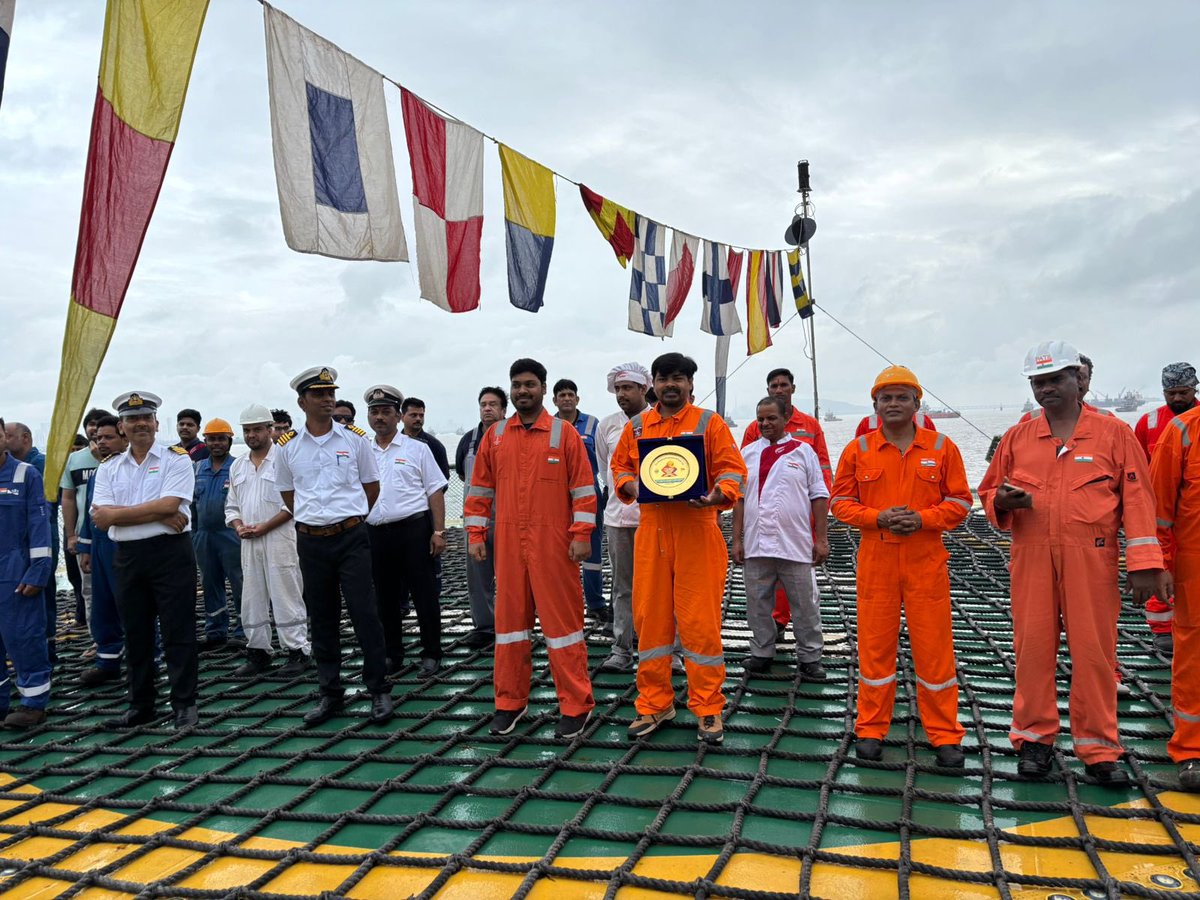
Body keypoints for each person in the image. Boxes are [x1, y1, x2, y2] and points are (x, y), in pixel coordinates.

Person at [978, 341, 1166, 787]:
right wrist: (1000, 502)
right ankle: (1033, 741)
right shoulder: (1017, 437)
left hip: (1093, 558)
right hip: (1032, 557)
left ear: (1077, 379)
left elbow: (1139, 500)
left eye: (1055, 379)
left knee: (1096, 653)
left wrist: (1145, 562)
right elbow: (988, 492)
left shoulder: (1114, 434)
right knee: (1033, 649)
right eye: (1038, 382)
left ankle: (1099, 747)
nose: (1047, 390)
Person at [831, 365, 971, 768]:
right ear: (874, 404)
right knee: (875, 648)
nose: (893, 404)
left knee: (935, 650)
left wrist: (923, 520)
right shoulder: (857, 450)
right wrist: (877, 517)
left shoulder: (942, 447)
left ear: (917, 403)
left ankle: (944, 734)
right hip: (876, 560)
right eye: (886, 398)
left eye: (902, 397)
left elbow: (961, 500)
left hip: (926, 561)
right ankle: (871, 727)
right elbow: (841, 502)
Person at [610, 352, 747, 745]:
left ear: (690, 384)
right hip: (652, 531)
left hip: (697, 529)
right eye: (663, 378)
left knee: (700, 624)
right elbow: (620, 467)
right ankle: (654, 703)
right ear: (652, 382)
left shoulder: (710, 423)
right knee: (650, 621)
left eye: (678, 378)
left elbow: (733, 470)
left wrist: (717, 495)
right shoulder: (636, 427)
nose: (671, 385)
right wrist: (632, 486)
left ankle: (707, 708)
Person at [464, 358, 597, 740]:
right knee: (508, 628)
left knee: (564, 629)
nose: (523, 391)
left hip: (554, 545)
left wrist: (581, 534)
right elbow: (479, 491)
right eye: (517, 385)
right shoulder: (496, 436)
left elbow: (584, 489)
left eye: (530, 385)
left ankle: (575, 705)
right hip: (507, 545)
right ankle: (509, 702)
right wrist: (475, 535)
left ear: (543, 388)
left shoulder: (564, 434)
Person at [273, 366, 393, 726]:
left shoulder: (355, 440)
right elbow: (288, 494)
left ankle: (378, 690)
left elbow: (371, 488)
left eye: (331, 394)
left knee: (364, 613)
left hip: (351, 537)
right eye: (320, 395)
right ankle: (330, 693)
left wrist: (347, 519)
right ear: (302, 401)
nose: (328, 400)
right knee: (321, 618)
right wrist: (315, 521)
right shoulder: (288, 448)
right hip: (311, 541)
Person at [91, 392, 200, 729]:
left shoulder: (176, 459)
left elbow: (171, 506)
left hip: (171, 554)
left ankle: (184, 705)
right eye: (132, 419)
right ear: (122, 427)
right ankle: (141, 706)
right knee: (136, 633)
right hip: (128, 558)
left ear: (155, 423)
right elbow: (101, 518)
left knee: (177, 630)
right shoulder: (109, 467)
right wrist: (157, 513)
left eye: (146, 417)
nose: (140, 423)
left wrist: (133, 513)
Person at [734, 396, 830, 677]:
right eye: (760, 419)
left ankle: (810, 656)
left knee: (805, 602)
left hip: (796, 542)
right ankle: (762, 651)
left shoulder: (804, 452)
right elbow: (738, 499)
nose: (765, 423)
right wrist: (737, 539)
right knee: (757, 601)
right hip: (756, 543)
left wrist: (821, 538)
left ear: (785, 418)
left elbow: (819, 495)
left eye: (771, 418)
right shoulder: (747, 454)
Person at [364, 385, 448, 677]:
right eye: (374, 412)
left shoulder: (418, 449)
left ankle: (431, 653)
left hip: (413, 530)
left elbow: (435, 491)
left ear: (398, 416)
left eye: (386, 412)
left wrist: (438, 532)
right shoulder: (362, 452)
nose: (379, 417)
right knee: (384, 598)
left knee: (424, 594)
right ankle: (392, 653)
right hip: (376, 533)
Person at [224, 404, 312, 678]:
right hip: (249, 541)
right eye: (247, 430)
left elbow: (294, 504)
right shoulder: (238, 466)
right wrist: (239, 526)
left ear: (270, 430)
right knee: (252, 596)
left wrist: (264, 527)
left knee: (286, 592)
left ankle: (298, 651)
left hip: (279, 538)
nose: (252, 435)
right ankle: (258, 651)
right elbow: (232, 506)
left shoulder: (285, 460)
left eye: (257, 429)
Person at [1149, 402, 1200, 788]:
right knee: (1193, 653)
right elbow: (1159, 507)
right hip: (1193, 564)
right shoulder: (1183, 431)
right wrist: (1159, 563)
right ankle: (1191, 749)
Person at [1134, 363, 1199, 655]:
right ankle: (1161, 628)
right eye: (1170, 393)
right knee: (1159, 565)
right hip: (1156, 509)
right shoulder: (1148, 423)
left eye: (1182, 392)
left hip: (1188, 516)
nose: (1176, 399)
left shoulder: (1193, 424)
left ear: (1194, 389)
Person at [595, 363, 651, 673]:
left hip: (653, 518)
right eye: (618, 389)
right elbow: (608, 468)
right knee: (622, 585)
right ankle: (622, 648)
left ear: (644, 389)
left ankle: (668, 649)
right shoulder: (608, 426)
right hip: (618, 516)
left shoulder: (659, 421)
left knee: (662, 585)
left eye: (628, 388)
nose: (622, 394)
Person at [0, 415, 54, 728]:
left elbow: (39, 525)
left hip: (15, 572)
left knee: (23, 637)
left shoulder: (26, 474)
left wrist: (39, 571)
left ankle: (33, 704)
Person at [453, 387, 507, 649]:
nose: (487, 409)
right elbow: (464, 475)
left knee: (511, 576)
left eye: (493, 404)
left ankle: (512, 625)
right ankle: (484, 627)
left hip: (508, 518)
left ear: (504, 410)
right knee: (477, 576)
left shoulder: (513, 436)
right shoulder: (468, 441)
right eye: (483, 404)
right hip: (476, 520)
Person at [4, 422, 62, 662]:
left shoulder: (37, 467)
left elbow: (45, 511)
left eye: (7, 436)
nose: (4, 441)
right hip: (12, 548)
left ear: (25, 438)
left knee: (40, 594)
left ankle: (46, 651)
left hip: (39, 539)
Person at [77, 416, 128, 686]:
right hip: (100, 546)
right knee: (102, 606)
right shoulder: (100, 471)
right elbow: (90, 511)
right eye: (98, 439)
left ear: (123, 438)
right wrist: (85, 547)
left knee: (132, 606)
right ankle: (107, 661)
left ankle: (147, 661)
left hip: (124, 545)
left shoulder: (131, 469)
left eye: (108, 437)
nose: (102, 443)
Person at [553, 378, 609, 621]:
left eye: (570, 394)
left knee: (592, 551)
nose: (566, 398)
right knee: (556, 550)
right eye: (562, 395)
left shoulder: (593, 424)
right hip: (555, 497)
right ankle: (560, 602)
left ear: (577, 399)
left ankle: (596, 603)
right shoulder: (549, 425)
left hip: (588, 493)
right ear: (554, 400)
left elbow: (605, 457)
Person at [192, 418, 245, 653]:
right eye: (211, 439)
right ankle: (215, 631)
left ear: (229, 441)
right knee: (210, 582)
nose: (216, 443)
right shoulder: (197, 468)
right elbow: (191, 505)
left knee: (240, 582)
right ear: (205, 441)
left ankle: (244, 630)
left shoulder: (238, 467)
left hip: (231, 535)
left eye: (221, 439)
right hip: (203, 535)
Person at [60, 408, 109, 627]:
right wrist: (71, 535)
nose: (94, 428)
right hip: (85, 536)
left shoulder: (120, 458)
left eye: (99, 424)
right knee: (89, 590)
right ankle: (97, 640)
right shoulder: (74, 460)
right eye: (90, 423)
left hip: (117, 534)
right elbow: (68, 498)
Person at [401, 398, 451, 482]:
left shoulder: (435, 446)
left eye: (421, 415)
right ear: (402, 417)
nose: (418, 419)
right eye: (413, 415)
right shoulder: (393, 444)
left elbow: (443, 479)